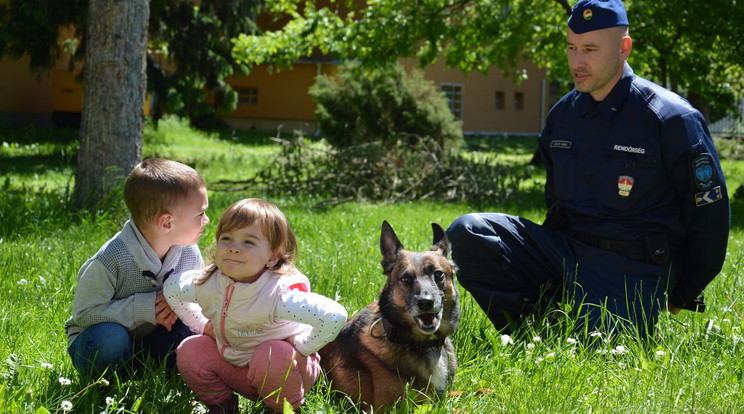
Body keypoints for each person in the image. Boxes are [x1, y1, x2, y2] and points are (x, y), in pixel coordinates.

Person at [446, 0, 730, 337]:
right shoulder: (564, 115)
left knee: (599, 351)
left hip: (631, 268)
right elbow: (556, 200)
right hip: (566, 253)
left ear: (624, 48)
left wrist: (682, 291)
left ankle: (578, 329)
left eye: (591, 50)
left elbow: (710, 215)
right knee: (468, 231)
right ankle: (537, 331)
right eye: (571, 48)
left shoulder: (670, 119)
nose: (577, 62)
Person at [164, 198, 347, 413]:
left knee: (272, 353)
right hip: (237, 363)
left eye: (248, 242)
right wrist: (202, 325)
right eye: (227, 238)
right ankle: (222, 407)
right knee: (190, 350)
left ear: (272, 257)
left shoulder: (278, 295)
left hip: (285, 372)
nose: (234, 248)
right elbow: (171, 289)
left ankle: (284, 409)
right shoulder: (208, 283)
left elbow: (335, 316)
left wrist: (302, 345)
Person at [65, 158, 210, 380]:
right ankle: (108, 385)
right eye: (200, 215)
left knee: (194, 334)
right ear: (167, 223)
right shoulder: (111, 259)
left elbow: (199, 299)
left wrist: (179, 304)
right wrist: (144, 308)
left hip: (152, 339)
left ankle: (149, 371)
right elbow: (84, 314)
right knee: (110, 339)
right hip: (98, 342)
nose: (207, 220)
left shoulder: (189, 253)